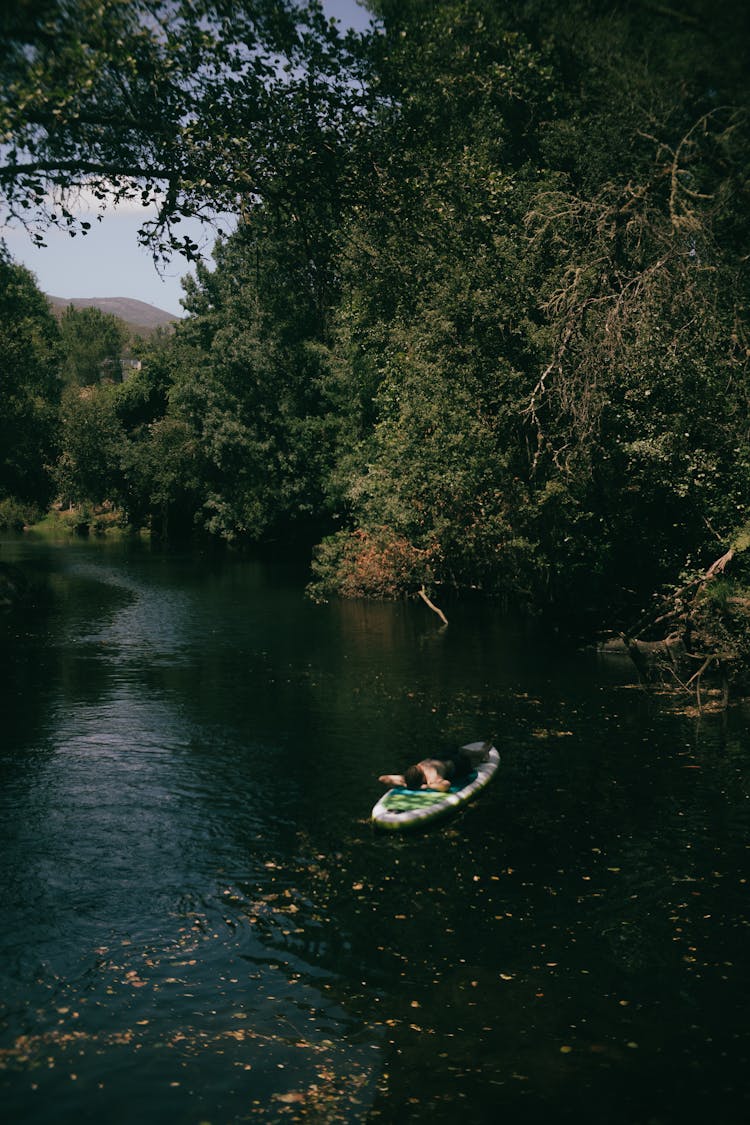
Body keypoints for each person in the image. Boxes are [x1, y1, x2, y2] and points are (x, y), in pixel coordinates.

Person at [378, 741, 492, 792]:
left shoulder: (431, 777)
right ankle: (481, 752)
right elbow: (382, 778)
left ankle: (482, 753)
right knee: (460, 750)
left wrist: (427, 787)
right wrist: (403, 782)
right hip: (439, 759)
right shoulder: (411, 774)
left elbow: (446, 785)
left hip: (454, 764)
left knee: (472, 762)